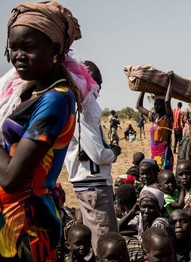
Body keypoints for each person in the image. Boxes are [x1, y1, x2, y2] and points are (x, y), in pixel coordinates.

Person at [0, 1, 82, 260]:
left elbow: (12, 179)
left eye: (29, 47)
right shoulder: (32, 90)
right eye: (13, 48)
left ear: (55, 49)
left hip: (25, 225)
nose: (18, 56)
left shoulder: (54, 99)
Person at [64, 60, 119, 254]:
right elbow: (98, 154)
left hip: (89, 185)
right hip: (94, 186)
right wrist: (113, 153)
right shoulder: (82, 110)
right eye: (97, 85)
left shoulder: (78, 108)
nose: (98, 90)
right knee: (106, 244)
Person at [136, 72, 174, 171]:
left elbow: (167, 101)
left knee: (163, 176)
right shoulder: (154, 117)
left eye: (158, 105)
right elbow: (138, 106)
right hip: (154, 153)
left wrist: (170, 81)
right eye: (155, 104)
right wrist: (144, 89)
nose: (156, 107)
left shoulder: (168, 118)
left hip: (164, 154)